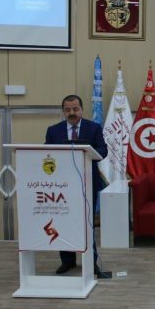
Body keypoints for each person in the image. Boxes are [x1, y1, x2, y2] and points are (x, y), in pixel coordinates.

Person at [45, 95, 108, 274]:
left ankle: (91, 261)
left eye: (75, 109)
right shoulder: (53, 130)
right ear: (63, 111)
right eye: (67, 110)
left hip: (88, 182)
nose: (72, 113)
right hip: (62, 185)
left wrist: (89, 152)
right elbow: (47, 152)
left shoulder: (93, 128)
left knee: (87, 222)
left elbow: (103, 150)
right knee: (63, 221)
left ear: (81, 109)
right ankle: (68, 261)